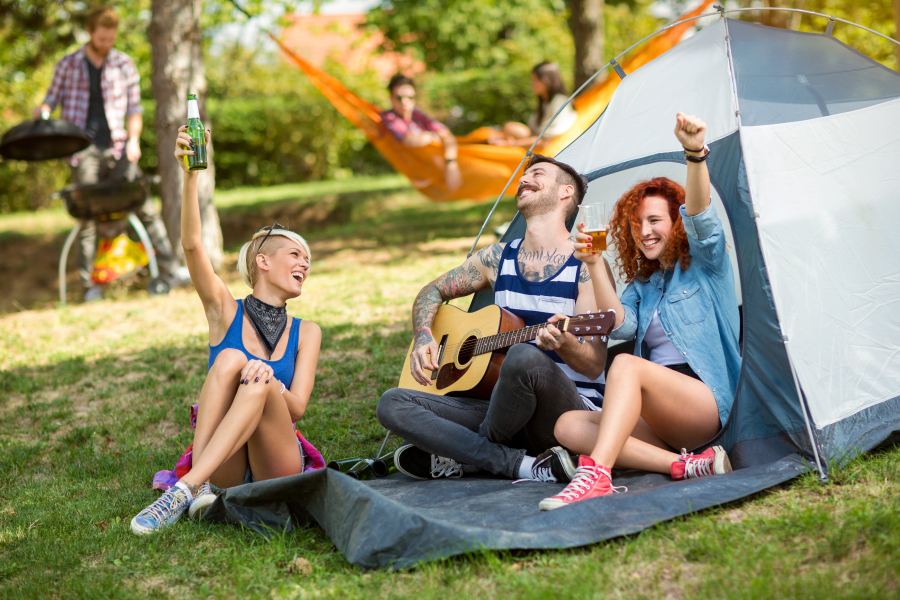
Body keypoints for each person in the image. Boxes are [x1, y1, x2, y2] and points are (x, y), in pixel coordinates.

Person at [539, 113, 740, 511]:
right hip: (662, 417)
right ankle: (687, 465)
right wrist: (595, 264)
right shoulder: (643, 287)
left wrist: (695, 154)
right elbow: (618, 324)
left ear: (676, 223)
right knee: (568, 424)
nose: (644, 231)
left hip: (705, 403)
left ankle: (595, 475)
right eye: (636, 225)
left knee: (625, 367)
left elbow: (701, 217)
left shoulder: (706, 265)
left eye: (654, 220)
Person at [376, 153, 614, 484]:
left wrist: (566, 344)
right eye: (524, 174)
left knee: (522, 356)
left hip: (564, 414)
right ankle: (521, 465)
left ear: (566, 192)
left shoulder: (586, 264)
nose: (524, 179)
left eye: (538, 174)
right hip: (500, 409)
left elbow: (593, 365)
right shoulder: (496, 257)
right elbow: (431, 292)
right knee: (393, 404)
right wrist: (423, 336)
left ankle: (470, 454)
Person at [130, 128, 322, 535]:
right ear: (263, 262)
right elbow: (193, 246)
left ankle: (183, 490)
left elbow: (298, 408)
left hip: (277, 463)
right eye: (295, 254)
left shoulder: (308, 332)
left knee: (258, 376)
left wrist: (270, 381)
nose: (304, 263)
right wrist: (190, 176)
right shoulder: (224, 311)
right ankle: (195, 489)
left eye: (307, 259)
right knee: (233, 358)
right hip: (226, 466)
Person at [34, 6, 184, 302]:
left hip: (119, 148)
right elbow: (50, 99)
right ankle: (90, 285)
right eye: (101, 39)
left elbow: (134, 109)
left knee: (144, 207)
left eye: (111, 39)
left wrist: (134, 140)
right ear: (90, 32)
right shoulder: (68, 64)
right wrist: (44, 112)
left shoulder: (124, 64)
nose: (106, 44)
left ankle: (170, 270)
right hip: (82, 152)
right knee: (87, 217)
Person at [380, 74, 462, 192]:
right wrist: (433, 136)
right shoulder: (388, 117)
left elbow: (447, 136)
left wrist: (450, 162)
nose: (405, 102)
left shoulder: (417, 114)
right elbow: (410, 141)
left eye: (410, 97)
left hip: (440, 166)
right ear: (391, 99)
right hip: (418, 172)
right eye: (399, 98)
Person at [488, 62, 578, 149]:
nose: (532, 84)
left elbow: (544, 141)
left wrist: (509, 144)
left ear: (547, 81)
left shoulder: (559, 101)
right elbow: (532, 129)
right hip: (537, 138)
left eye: (536, 80)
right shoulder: (545, 102)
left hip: (548, 146)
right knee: (509, 127)